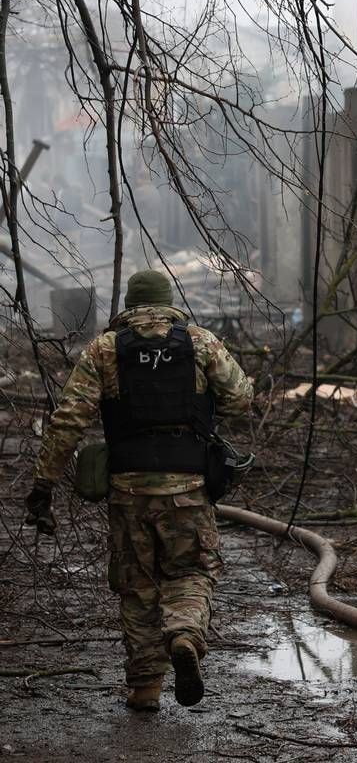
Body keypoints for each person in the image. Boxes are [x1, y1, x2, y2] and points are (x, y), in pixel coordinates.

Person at [22, 269, 253, 712]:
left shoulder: (105, 350)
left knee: (138, 586)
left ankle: (145, 689)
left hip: (128, 489)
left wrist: (44, 483)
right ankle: (184, 634)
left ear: (128, 305)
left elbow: (69, 420)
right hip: (188, 485)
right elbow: (240, 399)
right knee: (190, 571)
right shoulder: (200, 343)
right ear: (169, 302)